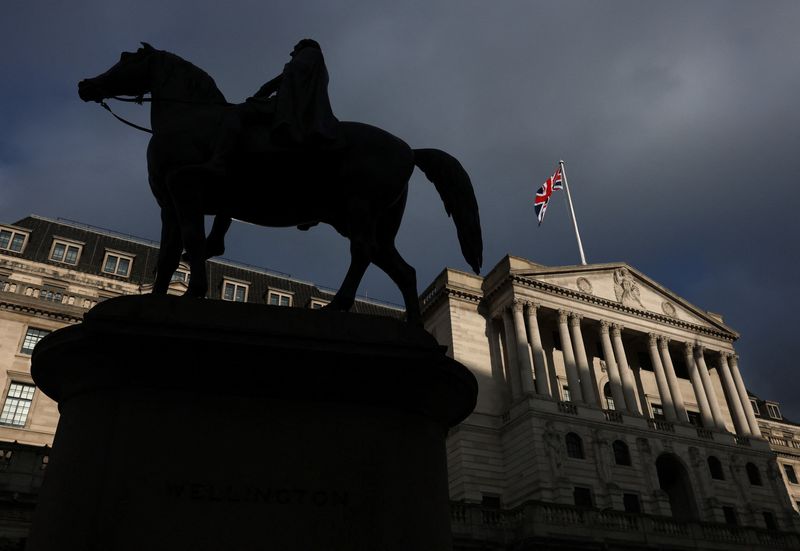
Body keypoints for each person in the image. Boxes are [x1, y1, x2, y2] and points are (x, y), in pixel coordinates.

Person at [200, 39, 336, 259]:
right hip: (285, 103)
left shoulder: (309, 54)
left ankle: (219, 159)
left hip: (287, 108)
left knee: (235, 114)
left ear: (302, 47)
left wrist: (266, 89)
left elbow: (291, 75)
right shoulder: (310, 61)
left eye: (294, 50)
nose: (291, 53)